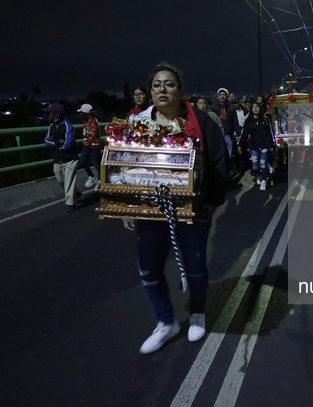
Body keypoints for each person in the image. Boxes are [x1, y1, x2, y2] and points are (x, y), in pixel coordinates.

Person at [129, 63, 229, 354]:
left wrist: (212, 202)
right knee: (148, 269)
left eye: (170, 84)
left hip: (192, 210)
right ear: (150, 91)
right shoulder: (139, 122)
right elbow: (126, 165)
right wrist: (128, 207)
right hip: (150, 210)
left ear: (180, 90)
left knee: (195, 265)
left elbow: (220, 162)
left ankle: (197, 313)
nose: (163, 89)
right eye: (157, 84)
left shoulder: (200, 121)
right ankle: (165, 321)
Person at [43, 103, 79, 213]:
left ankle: (70, 204)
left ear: (57, 114)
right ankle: (75, 193)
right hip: (57, 159)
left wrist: (53, 141)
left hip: (70, 159)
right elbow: (46, 141)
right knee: (60, 180)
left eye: (50, 113)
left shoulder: (68, 125)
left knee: (69, 182)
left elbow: (68, 144)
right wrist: (58, 142)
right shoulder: (51, 127)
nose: (48, 115)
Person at [240, 102, 275, 191]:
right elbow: (244, 134)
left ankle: (264, 180)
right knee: (255, 165)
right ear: (251, 109)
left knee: (263, 163)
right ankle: (259, 176)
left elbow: (270, 133)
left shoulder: (265, 119)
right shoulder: (248, 121)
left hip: (265, 145)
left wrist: (272, 145)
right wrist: (240, 144)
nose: (255, 109)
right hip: (253, 146)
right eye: (253, 107)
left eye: (257, 107)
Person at [210, 87, 239, 158]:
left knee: (229, 152)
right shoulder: (214, 106)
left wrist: (238, 133)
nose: (222, 96)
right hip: (217, 133)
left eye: (224, 95)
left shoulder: (231, 107)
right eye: (221, 95)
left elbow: (235, 120)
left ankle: (228, 166)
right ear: (218, 96)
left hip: (228, 133)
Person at [77, 104, 101, 189]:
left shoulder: (92, 120)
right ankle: (91, 176)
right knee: (82, 161)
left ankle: (100, 180)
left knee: (96, 163)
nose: (80, 114)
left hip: (94, 145)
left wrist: (88, 142)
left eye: (82, 112)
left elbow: (94, 133)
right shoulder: (86, 120)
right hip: (87, 145)